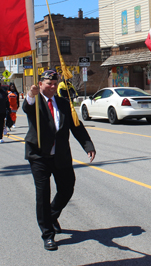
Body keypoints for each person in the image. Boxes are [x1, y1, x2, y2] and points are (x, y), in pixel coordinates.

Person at [23, 69, 96, 251]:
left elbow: (76, 127)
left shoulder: (64, 103)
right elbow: (27, 106)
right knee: (43, 194)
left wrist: (88, 146)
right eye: (49, 84)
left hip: (60, 155)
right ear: (41, 84)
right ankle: (48, 234)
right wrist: (31, 95)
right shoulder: (35, 101)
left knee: (67, 187)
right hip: (39, 155)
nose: (53, 87)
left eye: (55, 84)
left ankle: (52, 214)